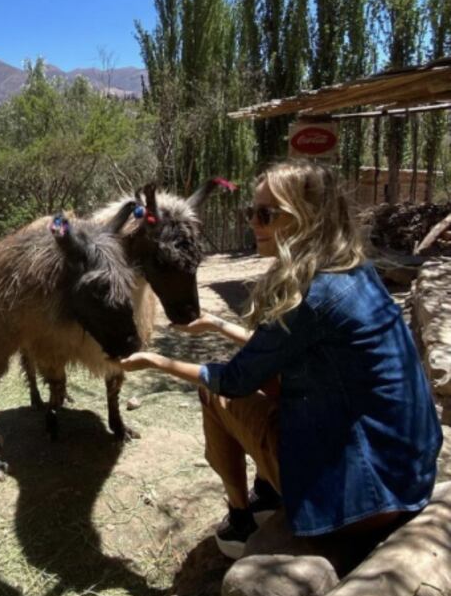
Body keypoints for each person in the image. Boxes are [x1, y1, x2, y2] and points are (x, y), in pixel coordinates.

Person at [120, 158, 442, 558]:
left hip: (363, 500)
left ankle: (241, 519)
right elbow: (281, 346)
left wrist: (155, 362)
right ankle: (267, 494)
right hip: (409, 474)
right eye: (249, 211)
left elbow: (235, 378)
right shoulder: (352, 270)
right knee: (275, 382)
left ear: (305, 218)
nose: (253, 222)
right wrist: (219, 325)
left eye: (265, 214)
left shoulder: (310, 294)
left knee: (215, 394)